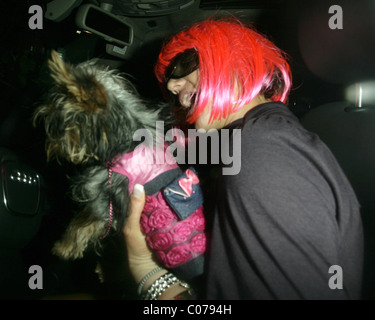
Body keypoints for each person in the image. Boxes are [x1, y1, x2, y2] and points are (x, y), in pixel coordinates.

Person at [123, 18, 364, 300]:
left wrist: (149, 274)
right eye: (170, 84)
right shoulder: (263, 139)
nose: (174, 85)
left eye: (183, 65)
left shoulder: (263, 151)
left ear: (237, 57)